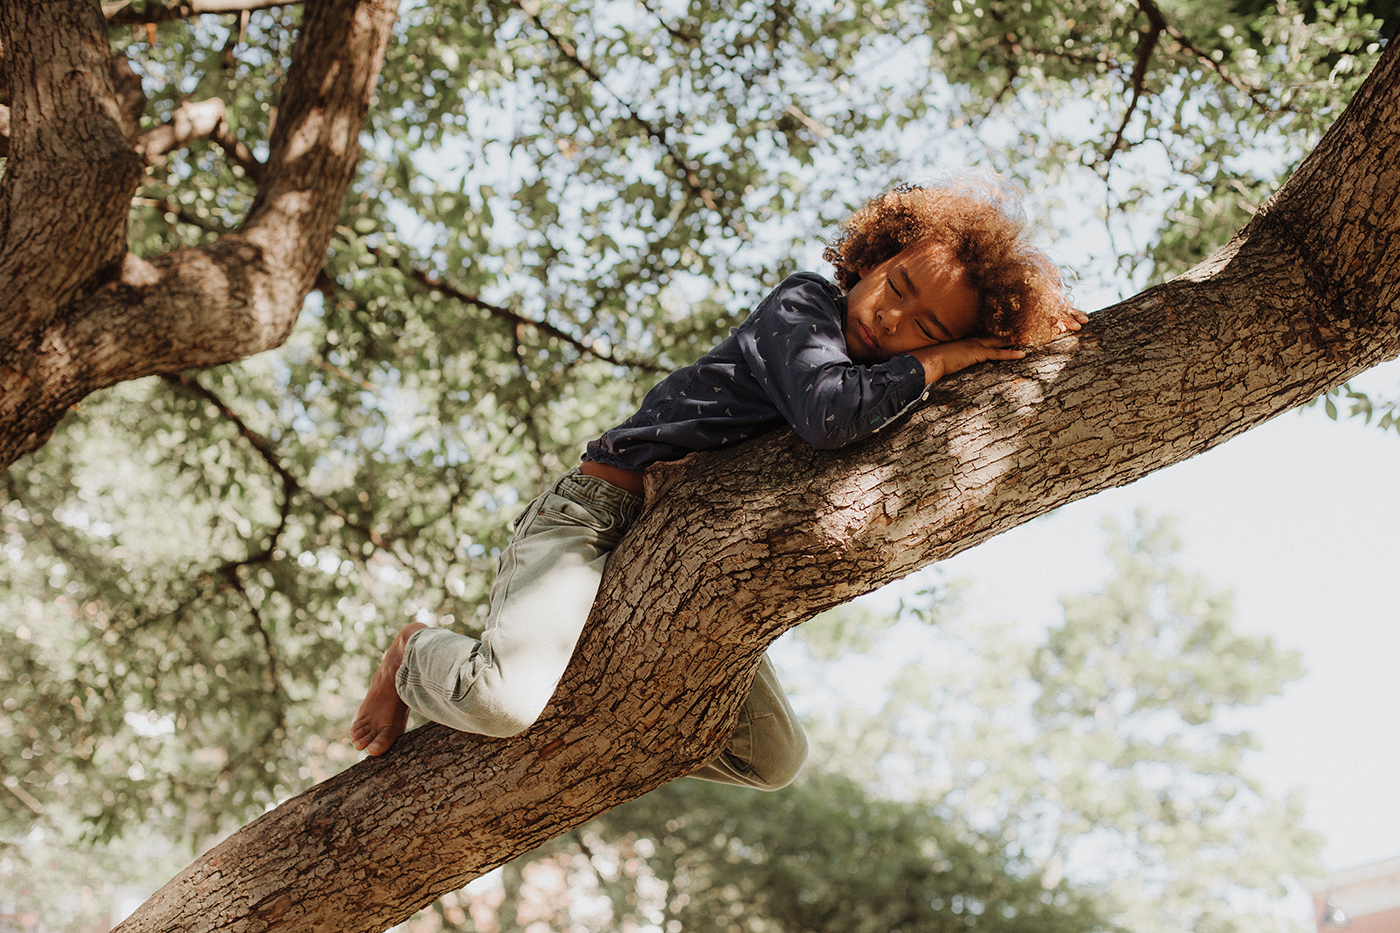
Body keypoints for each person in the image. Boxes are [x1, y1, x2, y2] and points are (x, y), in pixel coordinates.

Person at [351, 177, 1084, 789]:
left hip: (675, 570)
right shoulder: (804, 308)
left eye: (925, 329)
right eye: (895, 286)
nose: (892, 319)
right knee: (505, 700)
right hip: (597, 516)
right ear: (870, 259)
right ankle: (413, 650)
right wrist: (947, 359)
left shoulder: (882, 391)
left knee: (774, 760)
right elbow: (825, 414)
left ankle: (594, 717)